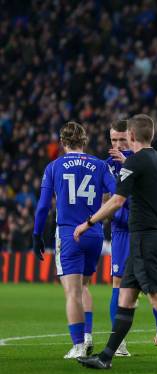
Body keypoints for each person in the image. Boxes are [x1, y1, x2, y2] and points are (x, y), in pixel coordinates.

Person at [74, 114, 157, 372]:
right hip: (156, 237)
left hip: (144, 239)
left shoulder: (134, 164)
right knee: (126, 296)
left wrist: (88, 222)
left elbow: (117, 201)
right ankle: (106, 356)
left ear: (131, 136)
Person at [32, 122, 115, 359]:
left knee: (72, 292)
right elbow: (118, 193)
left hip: (69, 234)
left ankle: (79, 344)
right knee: (84, 286)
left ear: (62, 142)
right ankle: (88, 336)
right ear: (84, 141)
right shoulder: (99, 165)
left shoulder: (54, 167)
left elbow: (42, 207)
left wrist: (37, 235)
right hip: (95, 233)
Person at [105, 119, 157, 357]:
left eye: (122, 139)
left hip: (146, 230)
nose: (118, 144)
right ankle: (120, 343)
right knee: (119, 285)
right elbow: (108, 200)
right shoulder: (107, 166)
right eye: (113, 140)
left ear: (131, 137)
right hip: (122, 232)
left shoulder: (139, 161)